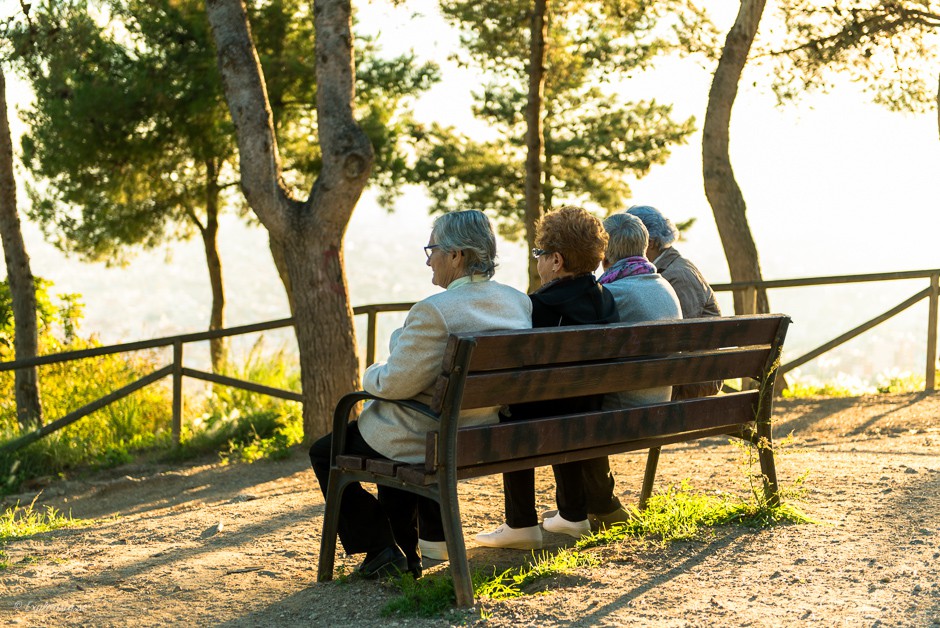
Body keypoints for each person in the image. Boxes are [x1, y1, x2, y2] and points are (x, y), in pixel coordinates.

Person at [310, 210, 532, 579]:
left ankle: (381, 547)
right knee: (393, 442)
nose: (429, 259)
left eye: (433, 250)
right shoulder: (517, 301)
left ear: (457, 255)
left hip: (430, 435)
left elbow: (393, 384)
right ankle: (400, 555)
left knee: (324, 451)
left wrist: (373, 369)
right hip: (480, 429)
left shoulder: (435, 311)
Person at [475, 206, 619, 550]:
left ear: (556, 261)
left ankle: (520, 523)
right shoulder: (607, 300)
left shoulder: (537, 307)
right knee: (565, 405)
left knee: (512, 411)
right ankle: (572, 514)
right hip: (591, 410)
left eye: (539, 254)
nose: (537, 261)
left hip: (545, 415)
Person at [626, 205, 723, 399]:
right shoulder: (668, 268)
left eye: (632, 241)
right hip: (685, 371)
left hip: (693, 378)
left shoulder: (677, 275)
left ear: (650, 243)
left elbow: (678, 338)